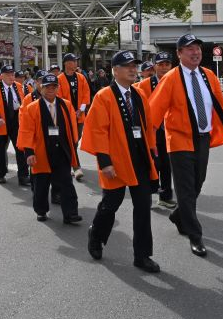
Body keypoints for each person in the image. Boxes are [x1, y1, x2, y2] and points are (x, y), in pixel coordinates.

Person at [149, 34, 223, 257]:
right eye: (190, 49)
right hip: (178, 139)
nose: (196, 52)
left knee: (197, 183)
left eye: (198, 48)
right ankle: (195, 235)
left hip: (202, 138)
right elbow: (154, 111)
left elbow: (220, 105)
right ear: (179, 54)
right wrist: (150, 142)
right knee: (185, 189)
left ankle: (179, 215)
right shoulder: (171, 78)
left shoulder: (208, 75)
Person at [83, 50, 160, 273]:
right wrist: (104, 161)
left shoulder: (139, 95)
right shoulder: (104, 96)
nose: (133, 70)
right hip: (115, 161)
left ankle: (142, 255)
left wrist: (152, 152)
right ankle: (96, 234)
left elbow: (147, 127)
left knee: (143, 207)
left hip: (140, 159)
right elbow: (97, 130)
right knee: (110, 205)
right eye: (128, 66)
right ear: (115, 70)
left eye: (135, 66)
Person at [18, 73, 82, 223]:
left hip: (62, 150)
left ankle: (71, 214)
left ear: (58, 88)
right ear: (41, 88)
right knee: (41, 184)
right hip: (41, 151)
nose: (51, 89)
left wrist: (73, 146)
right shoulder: (32, 107)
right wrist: (29, 152)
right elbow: (26, 130)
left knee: (66, 183)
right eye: (47, 87)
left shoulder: (66, 105)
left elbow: (72, 127)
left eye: (54, 86)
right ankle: (41, 211)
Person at [134, 52, 176, 209]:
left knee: (167, 165)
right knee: (152, 164)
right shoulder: (144, 85)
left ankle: (165, 196)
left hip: (170, 130)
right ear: (155, 67)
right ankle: (148, 196)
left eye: (167, 64)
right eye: (161, 64)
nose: (164, 68)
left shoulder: (175, 82)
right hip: (151, 131)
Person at [0, 66, 29, 185]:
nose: (11, 77)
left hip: (16, 121)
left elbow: (23, 102)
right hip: (0, 122)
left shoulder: (18, 86)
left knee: (21, 149)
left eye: (12, 74)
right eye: (8, 75)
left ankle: (23, 175)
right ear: (1, 76)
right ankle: (0, 174)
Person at [56, 53, 91, 181]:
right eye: (73, 61)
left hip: (80, 115)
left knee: (76, 139)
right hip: (66, 115)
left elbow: (86, 93)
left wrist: (81, 109)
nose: (76, 63)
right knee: (71, 140)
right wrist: (71, 111)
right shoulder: (59, 79)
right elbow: (58, 97)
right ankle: (76, 167)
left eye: (76, 61)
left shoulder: (81, 77)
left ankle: (69, 161)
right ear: (66, 63)